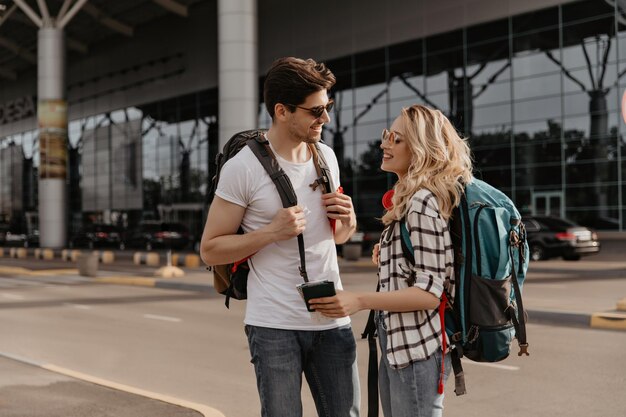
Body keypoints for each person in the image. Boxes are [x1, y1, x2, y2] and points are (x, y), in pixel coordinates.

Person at [200, 57, 360, 417]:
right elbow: (210, 250)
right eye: (316, 111)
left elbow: (338, 239)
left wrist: (348, 221)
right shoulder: (243, 168)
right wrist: (271, 232)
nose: (326, 120)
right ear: (282, 111)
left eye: (328, 108)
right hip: (274, 326)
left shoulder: (327, 158)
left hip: (333, 320)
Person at [311, 104, 473, 417]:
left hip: (417, 348)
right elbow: (426, 267)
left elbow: (430, 293)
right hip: (402, 345)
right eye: (387, 136)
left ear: (422, 149)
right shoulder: (410, 199)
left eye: (396, 139)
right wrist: (389, 258)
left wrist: (359, 299)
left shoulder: (423, 201)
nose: (385, 144)